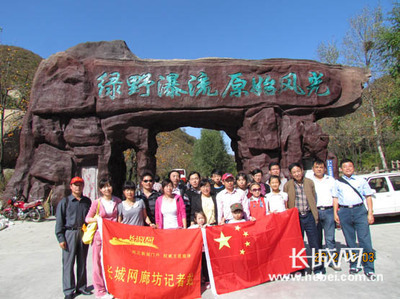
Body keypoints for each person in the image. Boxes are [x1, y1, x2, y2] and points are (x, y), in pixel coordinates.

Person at [332, 159, 376, 280]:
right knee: (350, 241)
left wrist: (370, 213)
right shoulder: (337, 182)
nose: (347, 168)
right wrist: (335, 213)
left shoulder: (361, 181)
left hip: (360, 211)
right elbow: (335, 198)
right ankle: (354, 265)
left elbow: (368, 197)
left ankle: (369, 268)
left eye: (350, 166)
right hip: (344, 212)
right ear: (341, 169)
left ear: (353, 167)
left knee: (365, 241)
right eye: (345, 167)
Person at [55, 177, 92, 299]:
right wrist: (61, 238)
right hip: (69, 233)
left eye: (80, 185)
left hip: (83, 233)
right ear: (71, 187)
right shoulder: (64, 202)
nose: (78, 187)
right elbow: (59, 221)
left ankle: (81, 287)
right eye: (75, 185)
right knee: (68, 263)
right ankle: (69, 290)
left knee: (82, 261)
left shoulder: (87, 201)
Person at [284, 163, 323, 276]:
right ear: (291, 174)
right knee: (297, 244)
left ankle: (318, 268)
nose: (297, 174)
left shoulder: (309, 182)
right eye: (294, 172)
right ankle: (299, 269)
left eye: (298, 171)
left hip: (309, 215)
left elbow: (313, 198)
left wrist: (315, 214)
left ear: (302, 170)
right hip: (296, 218)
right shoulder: (288, 185)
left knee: (314, 243)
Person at [85, 178, 122, 299]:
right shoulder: (97, 202)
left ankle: (113, 287)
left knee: (113, 263)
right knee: (97, 263)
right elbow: (87, 218)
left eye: (109, 186)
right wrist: (99, 220)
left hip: (113, 238)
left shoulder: (117, 201)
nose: (107, 189)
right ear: (100, 189)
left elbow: (120, 217)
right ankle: (100, 291)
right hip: (99, 237)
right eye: (104, 187)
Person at [310, 159, 341, 271]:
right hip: (315, 212)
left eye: (321, 167)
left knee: (330, 238)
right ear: (313, 169)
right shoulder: (309, 180)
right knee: (316, 239)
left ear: (324, 168)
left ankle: (332, 260)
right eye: (316, 167)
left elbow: (335, 197)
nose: (319, 169)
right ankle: (318, 262)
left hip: (328, 211)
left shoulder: (331, 180)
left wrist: (335, 212)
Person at [188, 211, 210, 289]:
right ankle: (199, 281)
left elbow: (213, 229)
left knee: (205, 265)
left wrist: (206, 228)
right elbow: (187, 231)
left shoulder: (207, 226)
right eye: (199, 218)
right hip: (196, 251)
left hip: (205, 251)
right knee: (197, 266)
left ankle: (207, 280)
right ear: (195, 220)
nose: (201, 220)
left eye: (202, 218)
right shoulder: (194, 227)